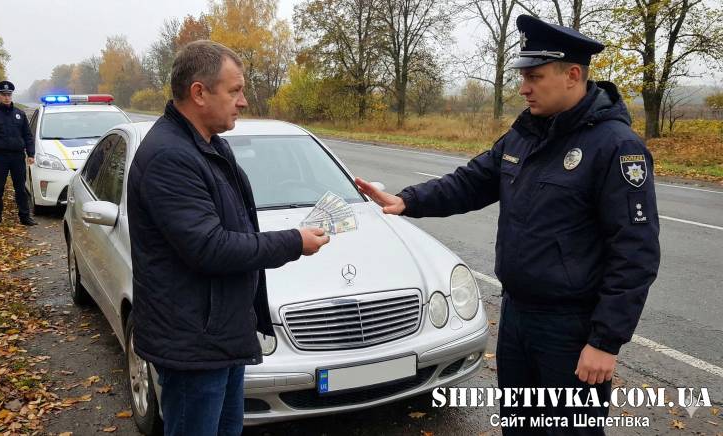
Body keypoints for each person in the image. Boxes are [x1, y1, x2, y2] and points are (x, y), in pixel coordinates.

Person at [355, 15, 660, 435]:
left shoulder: (615, 146)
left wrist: (605, 342)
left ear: (573, 75)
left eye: (534, 76)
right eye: (522, 76)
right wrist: (408, 200)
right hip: (518, 319)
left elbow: (636, 253)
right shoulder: (526, 134)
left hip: (570, 332)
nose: (523, 87)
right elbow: (472, 181)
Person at [126, 40, 330, 436]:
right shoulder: (170, 156)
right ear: (199, 93)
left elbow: (235, 227)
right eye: (235, 90)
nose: (244, 102)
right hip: (194, 346)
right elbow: (210, 247)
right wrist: (293, 241)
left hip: (219, 334)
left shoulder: (207, 145)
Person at [0, 80, 37, 227]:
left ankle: (25, 217)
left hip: (17, 156)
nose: (6, 97)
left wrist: (31, 154)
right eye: (3, 95)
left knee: (21, 188)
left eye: (9, 94)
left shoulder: (20, 114)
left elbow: (27, 135)